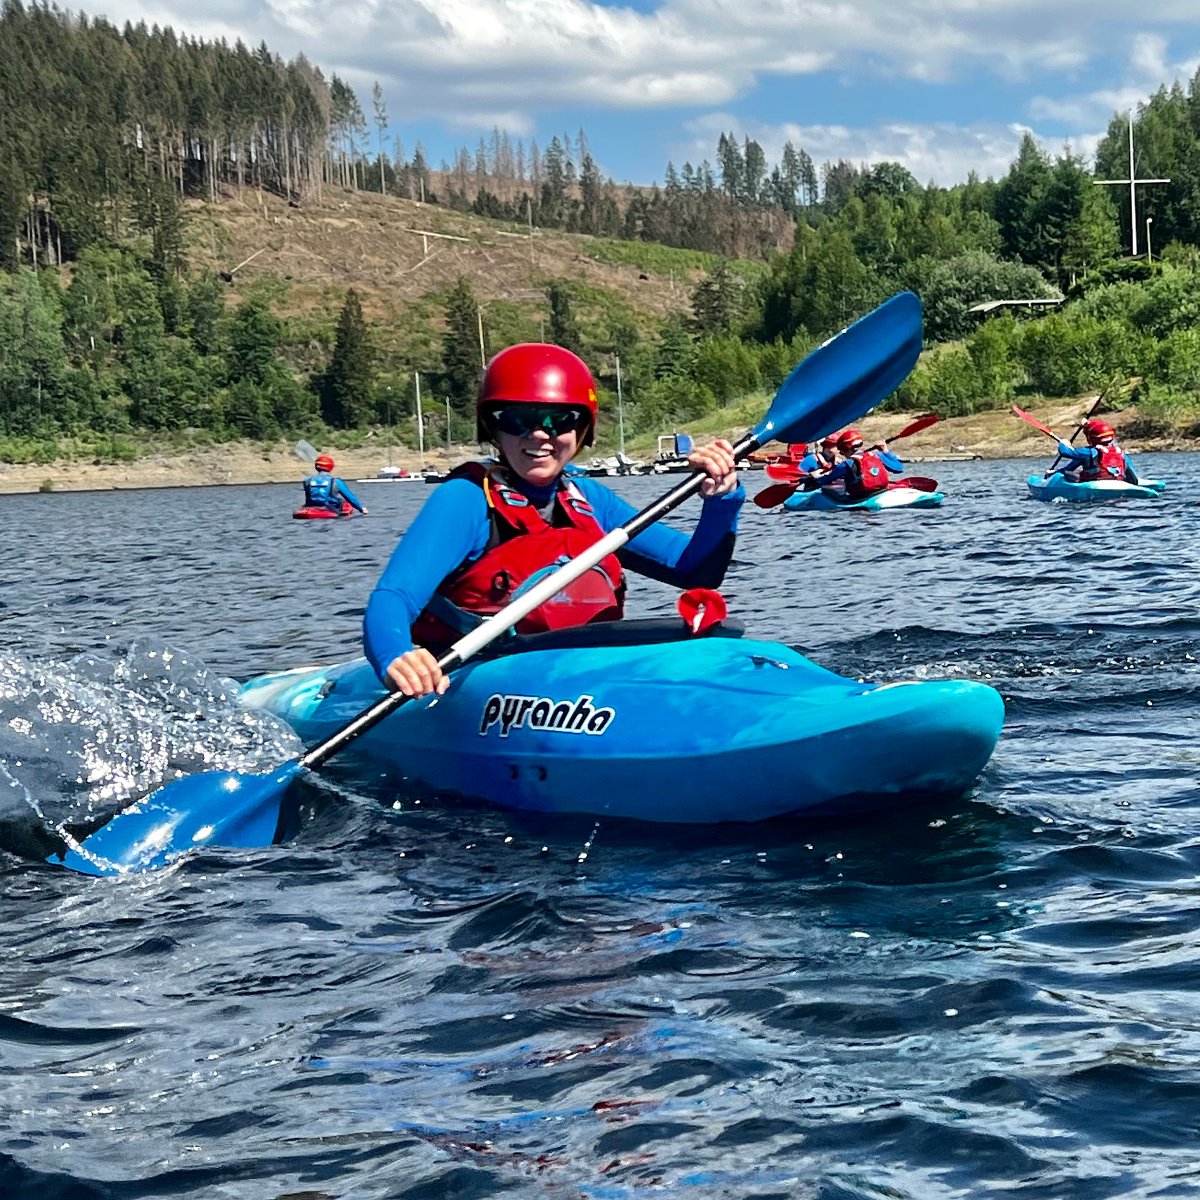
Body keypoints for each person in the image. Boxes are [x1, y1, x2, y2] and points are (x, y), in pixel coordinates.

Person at [363, 343, 742, 697]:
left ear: (582, 429)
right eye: (518, 419)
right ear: (493, 426)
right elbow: (394, 596)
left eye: (559, 419)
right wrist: (396, 656)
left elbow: (695, 571)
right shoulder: (466, 499)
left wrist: (722, 500)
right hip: (483, 681)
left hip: (584, 677)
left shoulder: (591, 501)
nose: (541, 434)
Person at [808, 428, 903, 501]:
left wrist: (815, 477)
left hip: (861, 497)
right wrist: (885, 451)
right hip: (881, 492)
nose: (842, 455)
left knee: (827, 491)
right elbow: (899, 468)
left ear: (845, 449)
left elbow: (824, 481)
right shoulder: (876, 455)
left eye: (841, 452)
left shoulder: (847, 463)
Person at [1050, 418, 1139, 484]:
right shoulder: (1120, 453)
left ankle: (1053, 475)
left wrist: (1063, 443)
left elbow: (1065, 452)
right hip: (1118, 481)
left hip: (1094, 481)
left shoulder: (1088, 452)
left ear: (1091, 438)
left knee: (1066, 474)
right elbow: (1131, 473)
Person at [303, 454, 368, 515]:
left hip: (310, 507)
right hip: (329, 508)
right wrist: (361, 509)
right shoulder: (336, 481)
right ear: (330, 466)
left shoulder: (307, 481)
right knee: (344, 503)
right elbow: (350, 498)